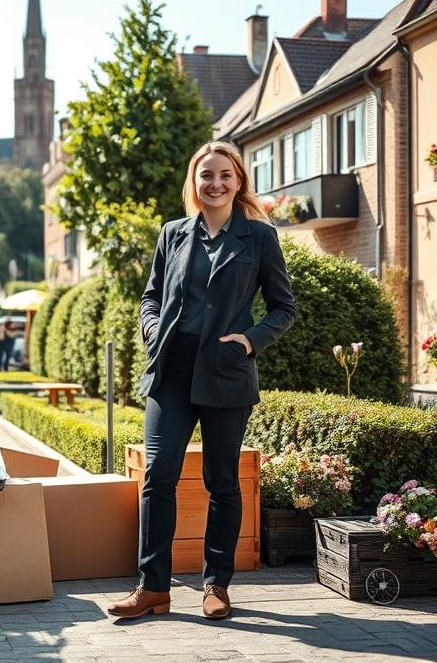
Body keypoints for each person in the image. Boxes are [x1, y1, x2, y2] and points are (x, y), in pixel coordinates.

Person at [108, 140, 296, 621]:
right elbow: (151, 296)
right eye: (206, 175)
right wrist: (151, 328)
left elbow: (283, 308)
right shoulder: (173, 233)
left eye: (224, 176)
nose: (215, 183)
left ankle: (216, 584)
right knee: (158, 475)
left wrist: (250, 341)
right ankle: (153, 588)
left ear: (239, 182)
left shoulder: (259, 237)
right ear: (194, 182)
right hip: (171, 369)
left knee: (221, 481)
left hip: (226, 371)